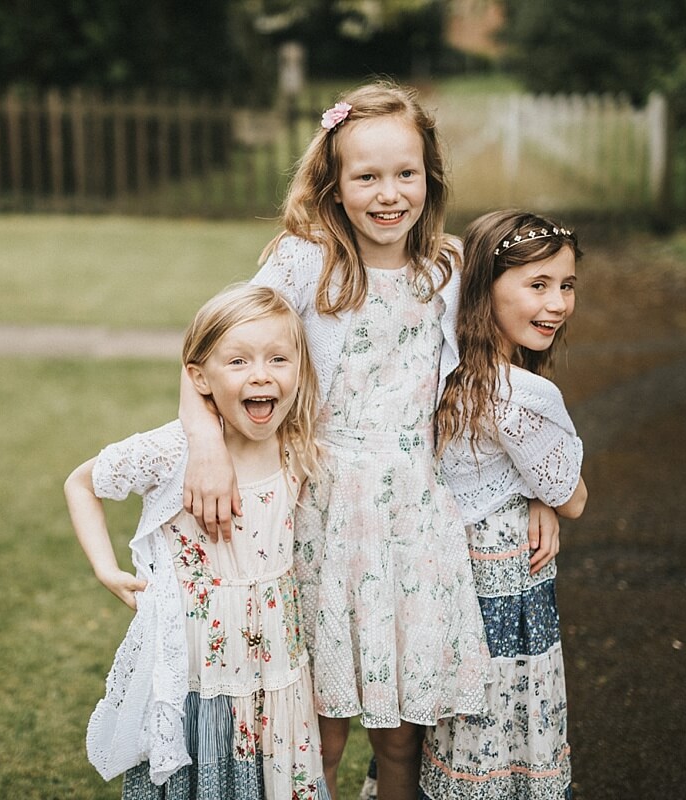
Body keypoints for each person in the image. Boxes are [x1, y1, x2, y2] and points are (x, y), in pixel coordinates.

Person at [180, 81, 502, 800]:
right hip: (319, 519)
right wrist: (205, 442)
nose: (388, 194)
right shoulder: (305, 263)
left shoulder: (447, 270)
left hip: (413, 526)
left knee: (400, 735)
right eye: (366, 176)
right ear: (334, 183)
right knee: (316, 728)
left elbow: (496, 389)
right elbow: (210, 353)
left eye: (405, 174)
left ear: (430, 176)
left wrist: (539, 490)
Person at [64, 283, 332, 799]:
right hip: (197, 668)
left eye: (279, 358)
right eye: (238, 362)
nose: (261, 375)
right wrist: (104, 566)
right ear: (200, 377)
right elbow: (81, 483)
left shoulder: (296, 444)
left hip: (274, 661)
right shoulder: (173, 452)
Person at [420, 209, 588, 800]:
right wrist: (544, 494)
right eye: (536, 285)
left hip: (451, 572)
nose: (558, 303)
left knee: (453, 720)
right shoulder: (524, 394)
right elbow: (572, 498)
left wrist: (529, 491)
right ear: (484, 289)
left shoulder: (450, 369)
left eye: (566, 285)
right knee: (506, 712)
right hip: (502, 582)